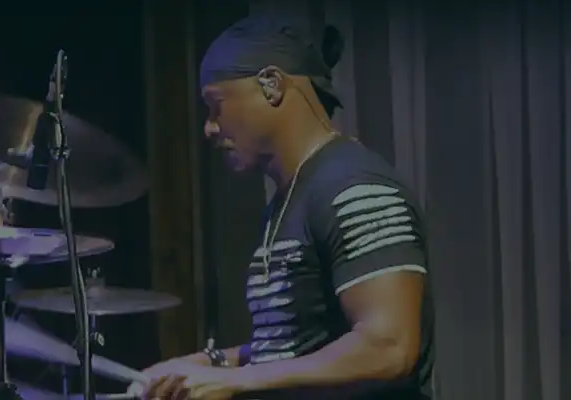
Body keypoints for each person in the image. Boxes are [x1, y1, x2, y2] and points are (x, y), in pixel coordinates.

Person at [132, 15, 435, 400]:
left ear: (272, 85)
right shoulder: (293, 196)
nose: (209, 128)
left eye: (216, 105)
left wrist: (236, 382)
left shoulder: (353, 187)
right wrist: (207, 363)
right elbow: (293, 348)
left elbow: (388, 347)